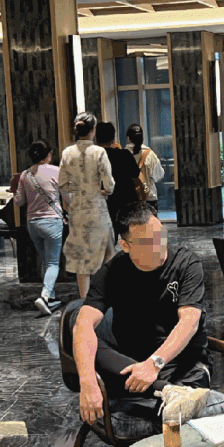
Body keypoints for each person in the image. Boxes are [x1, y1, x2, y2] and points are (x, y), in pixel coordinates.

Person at [73, 202, 213, 425]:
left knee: (175, 419)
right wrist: (87, 381)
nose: (159, 245)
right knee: (80, 332)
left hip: (182, 366)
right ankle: (166, 391)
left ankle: (170, 393)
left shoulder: (186, 263)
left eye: (160, 235)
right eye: (148, 242)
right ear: (125, 245)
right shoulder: (112, 271)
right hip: (133, 369)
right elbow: (83, 324)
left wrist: (154, 364)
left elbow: (190, 321)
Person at [59, 112, 117, 299]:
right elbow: (109, 184)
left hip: (77, 210)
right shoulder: (99, 152)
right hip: (96, 208)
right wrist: (102, 191)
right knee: (108, 253)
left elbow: (62, 184)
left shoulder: (67, 153)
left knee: (81, 258)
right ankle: (106, 294)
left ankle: (85, 299)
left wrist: (78, 189)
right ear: (93, 130)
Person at [14, 140, 69, 315]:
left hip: (33, 223)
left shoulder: (25, 175)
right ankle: (44, 296)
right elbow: (68, 197)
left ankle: (51, 298)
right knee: (53, 263)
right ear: (48, 154)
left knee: (46, 260)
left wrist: (15, 189)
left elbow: (18, 201)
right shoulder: (56, 171)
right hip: (52, 222)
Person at [95, 122, 140, 230]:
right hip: (127, 201)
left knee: (109, 234)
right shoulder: (125, 154)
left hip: (105, 203)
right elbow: (136, 173)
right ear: (113, 139)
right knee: (129, 232)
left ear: (96, 138)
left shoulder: (94, 158)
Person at [125, 124, 164, 213]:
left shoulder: (123, 154)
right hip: (149, 198)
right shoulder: (150, 154)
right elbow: (159, 175)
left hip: (130, 199)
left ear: (128, 138)